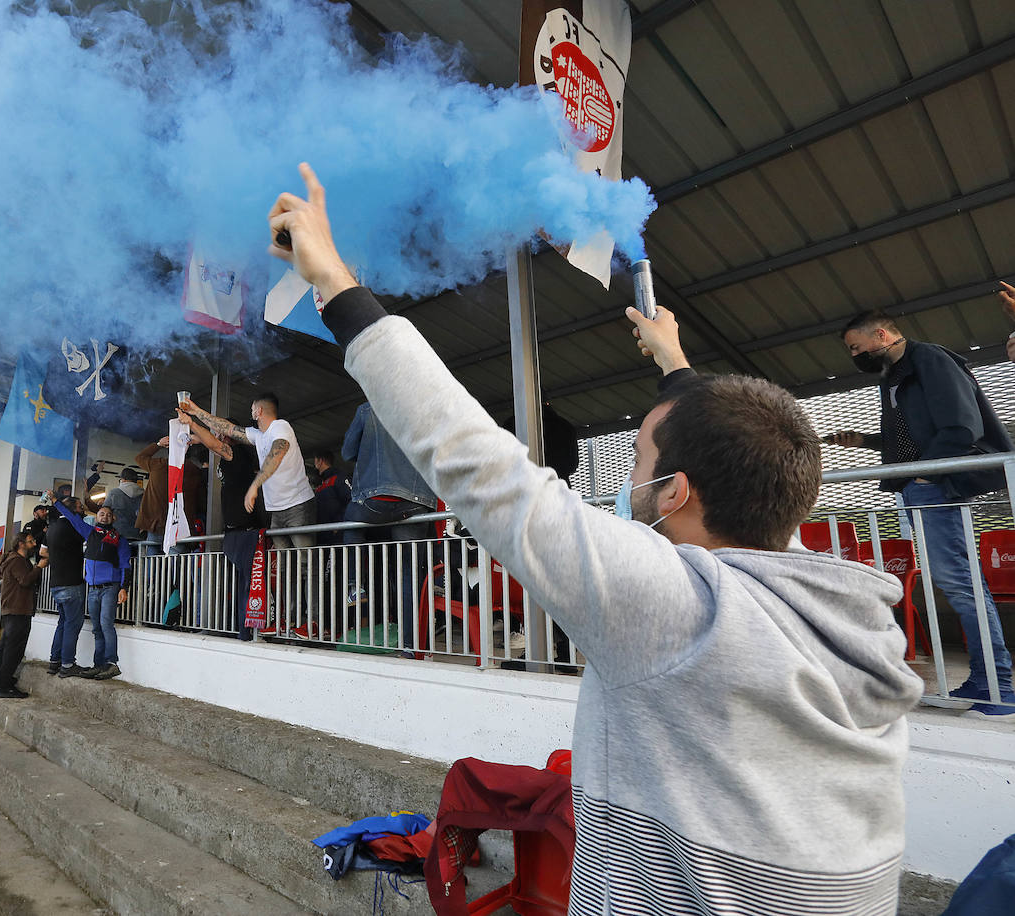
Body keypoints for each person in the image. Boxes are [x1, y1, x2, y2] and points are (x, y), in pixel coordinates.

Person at [265, 162, 925, 914]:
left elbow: (476, 462)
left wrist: (336, 283)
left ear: (676, 493)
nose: (630, 475)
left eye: (641, 458)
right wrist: (674, 364)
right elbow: (741, 452)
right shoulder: (850, 611)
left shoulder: (682, 611)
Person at [824, 310, 1014, 716]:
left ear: (880, 334)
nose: (855, 355)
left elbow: (962, 425)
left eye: (856, 347)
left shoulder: (929, 359)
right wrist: (868, 441)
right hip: (921, 485)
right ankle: (990, 678)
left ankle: (995, 681)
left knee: (961, 583)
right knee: (960, 582)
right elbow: (913, 437)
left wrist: (928, 474)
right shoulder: (893, 377)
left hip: (936, 485)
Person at [181, 393, 317, 628]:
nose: (250, 411)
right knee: (285, 567)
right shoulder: (258, 436)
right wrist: (195, 412)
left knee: (306, 564)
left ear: (259, 410)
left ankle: (315, 620)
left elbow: (280, 449)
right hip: (277, 511)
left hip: (298, 505)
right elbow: (228, 428)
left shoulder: (280, 427)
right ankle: (291, 620)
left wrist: (255, 485)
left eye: (252, 407)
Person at [339, 400, 437, 651]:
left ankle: (355, 584)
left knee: (351, 520)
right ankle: (409, 646)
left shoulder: (367, 409)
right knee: (408, 575)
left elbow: (347, 452)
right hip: (414, 502)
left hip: (374, 498)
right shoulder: (423, 411)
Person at [53, 499, 131, 680]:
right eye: (102, 514)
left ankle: (111, 663)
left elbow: (125, 565)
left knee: (106, 625)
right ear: (96, 516)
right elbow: (73, 519)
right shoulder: (90, 532)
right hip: (93, 589)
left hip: (110, 588)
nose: (105, 517)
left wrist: (123, 588)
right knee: (96, 628)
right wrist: (56, 501)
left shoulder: (119, 539)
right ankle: (99, 665)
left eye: (108, 515)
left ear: (114, 518)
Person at [0, 532, 47, 697]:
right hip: (18, 609)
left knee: (5, 648)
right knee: (13, 650)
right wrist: (39, 567)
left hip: (13, 609)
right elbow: (25, 580)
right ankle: (5, 686)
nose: (34, 544)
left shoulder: (14, 560)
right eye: (31, 541)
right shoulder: (17, 561)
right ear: (21, 544)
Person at [134, 432, 206, 555]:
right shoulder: (194, 471)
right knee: (176, 566)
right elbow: (201, 500)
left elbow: (140, 458)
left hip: (155, 523)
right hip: (180, 525)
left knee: (153, 562)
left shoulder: (158, 464)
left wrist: (158, 444)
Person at [45, 495, 88, 676]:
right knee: (72, 624)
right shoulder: (73, 527)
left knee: (62, 622)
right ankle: (68, 665)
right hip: (72, 582)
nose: (82, 510)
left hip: (56, 583)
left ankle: (55, 661)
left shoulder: (52, 529)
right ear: (72, 510)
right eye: (79, 507)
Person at [309, 448, 352, 535]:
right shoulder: (321, 483)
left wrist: (339, 523)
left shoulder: (339, 477)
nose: (314, 463)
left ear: (320, 461)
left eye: (315, 460)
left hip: (337, 534)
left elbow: (351, 500)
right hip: (323, 534)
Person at [104, 468, 145, 541]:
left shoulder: (114, 493)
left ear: (122, 479)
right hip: (139, 535)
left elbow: (104, 512)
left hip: (118, 535)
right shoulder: (145, 495)